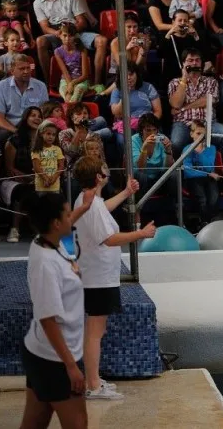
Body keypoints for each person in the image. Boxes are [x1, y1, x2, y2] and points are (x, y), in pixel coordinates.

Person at [72, 155, 155, 400]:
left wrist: (126, 192)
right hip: (98, 278)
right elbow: (108, 239)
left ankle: (93, 380)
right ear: (99, 177)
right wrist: (141, 233)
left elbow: (103, 209)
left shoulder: (88, 200)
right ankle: (93, 385)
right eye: (104, 169)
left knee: (96, 330)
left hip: (96, 275)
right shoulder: (92, 205)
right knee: (95, 332)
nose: (107, 170)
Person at [18, 191, 95, 429]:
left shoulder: (48, 242)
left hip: (43, 354)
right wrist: (71, 367)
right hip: (54, 360)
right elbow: (47, 319)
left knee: (35, 422)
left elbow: (65, 223)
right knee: (78, 423)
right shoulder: (45, 264)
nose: (71, 217)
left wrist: (85, 206)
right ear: (56, 223)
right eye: (67, 213)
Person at [33, 0, 107, 89]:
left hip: (74, 30)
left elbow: (82, 22)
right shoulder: (38, 2)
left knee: (102, 41)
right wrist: (58, 33)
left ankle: (96, 83)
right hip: (56, 33)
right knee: (40, 41)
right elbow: (45, 28)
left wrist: (70, 31)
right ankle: (49, 84)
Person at [168, 48, 223, 154]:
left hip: (208, 123)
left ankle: (222, 168)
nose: (194, 63)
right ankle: (181, 170)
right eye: (190, 60)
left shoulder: (211, 81)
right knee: (176, 143)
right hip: (184, 123)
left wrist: (183, 108)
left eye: (197, 60)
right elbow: (176, 104)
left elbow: (207, 100)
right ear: (183, 63)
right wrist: (184, 79)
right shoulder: (174, 82)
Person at [0, 54, 49, 147]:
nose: (26, 71)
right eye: (22, 69)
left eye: (28, 68)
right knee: (1, 135)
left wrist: (37, 129)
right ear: (12, 71)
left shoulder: (40, 86)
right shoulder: (0, 86)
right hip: (12, 127)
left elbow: (45, 113)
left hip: (34, 126)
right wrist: (16, 131)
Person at [2, 107, 41, 243]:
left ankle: (42, 229)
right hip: (14, 180)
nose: (37, 118)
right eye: (33, 115)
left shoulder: (44, 140)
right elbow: (9, 169)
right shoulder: (14, 140)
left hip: (38, 179)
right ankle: (14, 228)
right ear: (25, 118)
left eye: (39, 116)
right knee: (22, 190)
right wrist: (29, 178)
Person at [110, 62, 162, 152]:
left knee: (161, 140)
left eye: (131, 74)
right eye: (125, 75)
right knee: (122, 141)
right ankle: (128, 164)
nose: (128, 77)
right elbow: (116, 113)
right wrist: (125, 93)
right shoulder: (117, 91)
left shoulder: (148, 87)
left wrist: (148, 124)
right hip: (126, 125)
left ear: (137, 74)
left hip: (148, 124)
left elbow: (158, 111)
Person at [182, 120, 221, 226]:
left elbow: (209, 167)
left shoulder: (211, 148)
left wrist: (200, 152)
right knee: (202, 199)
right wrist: (207, 174)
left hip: (209, 178)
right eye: (198, 133)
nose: (201, 137)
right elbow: (188, 172)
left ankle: (209, 221)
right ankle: (205, 222)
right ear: (192, 134)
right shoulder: (187, 149)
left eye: (204, 134)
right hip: (193, 179)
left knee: (213, 198)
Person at [58, 102, 112, 166]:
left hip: (93, 170)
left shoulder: (95, 136)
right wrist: (79, 131)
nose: (82, 116)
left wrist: (105, 174)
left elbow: (101, 158)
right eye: (78, 114)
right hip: (74, 170)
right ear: (72, 118)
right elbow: (72, 152)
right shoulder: (64, 134)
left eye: (85, 113)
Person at [54, 24, 91, 103]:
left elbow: (85, 75)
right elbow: (65, 72)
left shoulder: (82, 50)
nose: (67, 39)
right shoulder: (58, 51)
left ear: (75, 37)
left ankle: (74, 114)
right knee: (67, 97)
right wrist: (69, 84)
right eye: (65, 35)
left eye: (70, 36)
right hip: (65, 80)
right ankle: (72, 114)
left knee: (76, 95)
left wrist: (73, 83)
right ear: (60, 35)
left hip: (81, 81)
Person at [32, 119, 65, 195]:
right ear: (41, 134)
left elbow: (61, 166)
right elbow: (36, 167)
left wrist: (54, 177)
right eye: (48, 134)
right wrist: (45, 178)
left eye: (53, 135)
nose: (51, 137)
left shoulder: (58, 149)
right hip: (41, 186)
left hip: (55, 185)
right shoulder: (36, 150)